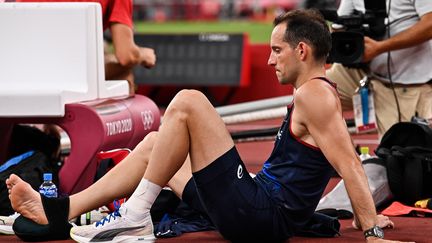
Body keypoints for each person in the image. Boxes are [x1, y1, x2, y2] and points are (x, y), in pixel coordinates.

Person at [7, 9, 408, 243]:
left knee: (188, 102)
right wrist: (363, 215)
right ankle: (60, 212)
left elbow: (351, 164)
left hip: (260, 216)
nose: (270, 61)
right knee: (153, 143)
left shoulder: (315, 95)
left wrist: (371, 229)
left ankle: (136, 213)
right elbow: (339, 160)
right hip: (256, 203)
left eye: (276, 50)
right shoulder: (317, 94)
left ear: (302, 50)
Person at [326, 0, 432, 136]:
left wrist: (380, 47)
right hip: (361, 72)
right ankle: (339, 152)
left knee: (397, 150)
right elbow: (337, 26)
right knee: (311, 95)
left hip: (406, 85)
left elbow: (429, 25)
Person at [16, 0, 157, 95]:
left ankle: (48, 123)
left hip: (20, 74)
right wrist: (143, 55)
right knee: (125, 71)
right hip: (68, 76)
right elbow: (126, 56)